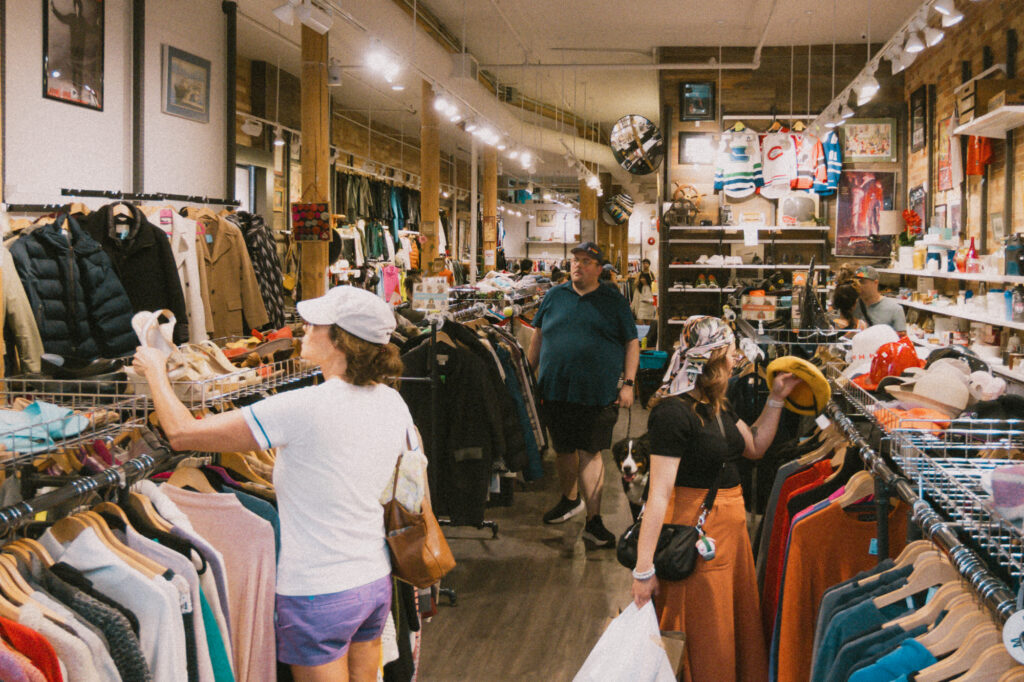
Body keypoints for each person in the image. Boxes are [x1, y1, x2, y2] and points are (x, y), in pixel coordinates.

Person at [133, 286, 413, 682]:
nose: (304, 328)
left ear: (340, 340)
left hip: (318, 592)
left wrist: (155, 372)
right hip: (373, 580)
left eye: (315, 324)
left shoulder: (303, 407)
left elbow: (181, 434)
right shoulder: (391, 401)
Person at [631, 316, 801, 682]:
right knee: (705, 631)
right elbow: (658, 494)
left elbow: (754, 447)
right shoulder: (672, 413)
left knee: (724, 625)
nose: (736, 358)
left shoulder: (716, 405)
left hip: (727, 536)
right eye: (730, 352)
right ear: (711, 359)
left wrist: (776, 399)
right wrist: (644, 570)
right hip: (694, 534)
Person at [528, 241, 639, 546]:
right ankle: (569, 499)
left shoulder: (612, 300)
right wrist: (527, 374)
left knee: (591, 453)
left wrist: (629, 383)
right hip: (555, 389)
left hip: (597, 393)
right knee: (563, 449)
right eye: (575, 260)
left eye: (586, 261)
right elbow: (538, 336)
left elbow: (631, 342)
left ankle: (594, 520)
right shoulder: (554, 296)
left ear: (600, 269)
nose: (577, 265)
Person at [851, 265, 906, 332]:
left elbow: (902, 336)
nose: (859, 286)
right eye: (856, 283)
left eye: (862, 282)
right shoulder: (853, 306)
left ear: (875, 283)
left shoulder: (895, 309)